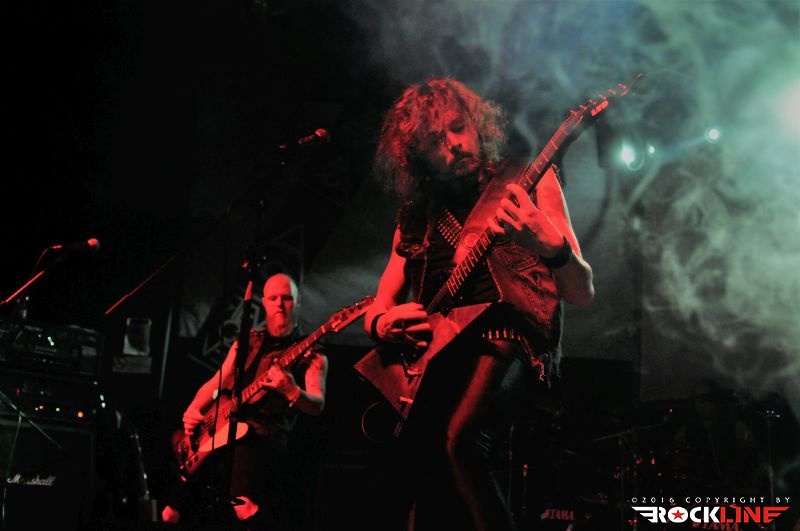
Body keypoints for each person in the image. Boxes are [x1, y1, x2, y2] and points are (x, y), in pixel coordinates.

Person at [360, 77, 594, 531]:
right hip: (438, 355)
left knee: (461, 439)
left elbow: (582, 291)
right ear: (418, 155)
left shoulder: (527, 180)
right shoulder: (415, 215)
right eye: (435, 140)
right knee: (414, 467)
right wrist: (382, 324)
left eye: (458, 127)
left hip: (508, 340)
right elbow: (379, 305)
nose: (453, 143)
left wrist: (551, 247)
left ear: (476, 124)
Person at [161, 273, 328, 529]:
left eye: (286, 298)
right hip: (222, 430)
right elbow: (218, 381)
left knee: (243, 508)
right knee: (171, 513)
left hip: (262, 437)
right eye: (273, 298)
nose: (280, 303)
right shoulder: (247, 342)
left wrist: (291, 390)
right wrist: (193, 409)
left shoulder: (312, 353)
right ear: (264, 302)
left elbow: (317, 404)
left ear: (297, 301)